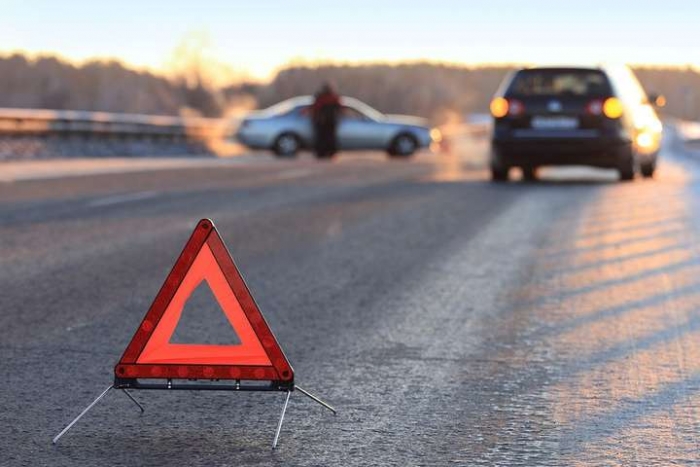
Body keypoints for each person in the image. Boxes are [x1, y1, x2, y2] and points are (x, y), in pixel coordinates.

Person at [310, 83, 341, 159]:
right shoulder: (332, 97)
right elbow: (339, 108)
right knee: (327, 138)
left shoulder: (321, 97)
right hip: (327, 121)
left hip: (324, 122)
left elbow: (315, 109)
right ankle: (327, 153)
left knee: (323, 138)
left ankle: (324, 153)